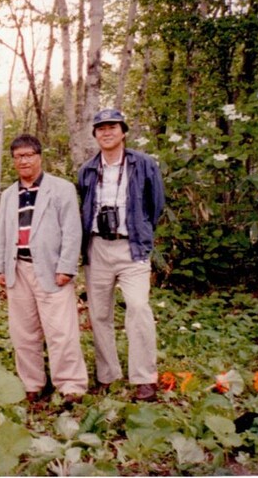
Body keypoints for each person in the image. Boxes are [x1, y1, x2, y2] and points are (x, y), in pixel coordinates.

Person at [0, 134, 88, 404]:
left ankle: (71, 386)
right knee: (23, 332)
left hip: (51, 269)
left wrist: (67, 267)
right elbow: (1, 233)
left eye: (28, 155)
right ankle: (31, 384)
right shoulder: (9, 195)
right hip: (18, 269)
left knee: (61, 330)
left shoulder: (61, 189)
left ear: (39, 157)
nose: (23, 161)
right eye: (18, 157)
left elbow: (72, 230)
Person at [78, 108, 165, 402]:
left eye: (112, 126)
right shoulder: (87, 169)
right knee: (99, 313)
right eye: (100, 128)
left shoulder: (144, 165)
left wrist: (140, 231)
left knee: (138, 307)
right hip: (98, 247)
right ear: (95, 134)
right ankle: (107, 375)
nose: (106, 132)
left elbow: (156, 205)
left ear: (123, 131)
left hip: (132, 247)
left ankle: (144, 378)